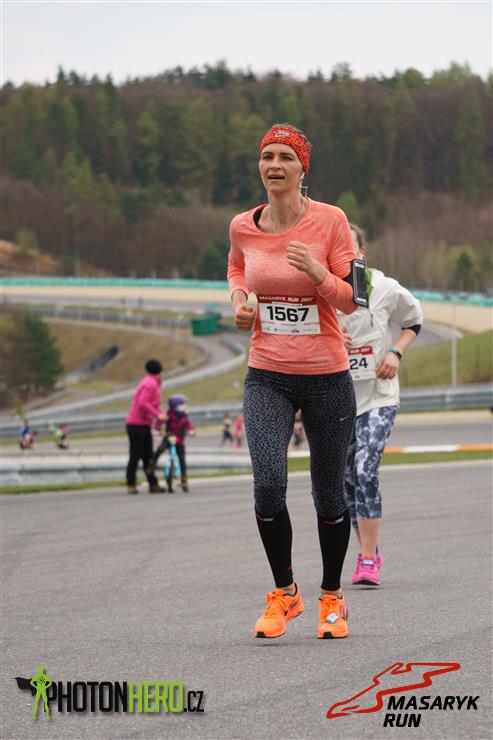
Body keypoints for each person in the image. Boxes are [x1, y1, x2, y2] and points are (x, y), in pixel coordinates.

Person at [228, 122, 362, 640]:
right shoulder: (243, 226)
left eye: (286, 157)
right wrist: (240, 301)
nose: (275, 165)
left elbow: (353, 299)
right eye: (268, 156)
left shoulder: (331, 221)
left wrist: (318, 273)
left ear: (303, 168)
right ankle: (285, 593)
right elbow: (237, 270)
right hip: (268, 374)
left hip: (327, 376)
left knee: (328, 493)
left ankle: (332, 596)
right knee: (268, 483)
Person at [341, 223, 422, 586]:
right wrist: (329, 339)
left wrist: (395, 352)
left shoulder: (385, 288)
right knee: (346, 482)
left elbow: (413, 321)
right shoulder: (320, 292)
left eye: (350, 247)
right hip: (340, 399)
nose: (344, 254)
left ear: (362, 252)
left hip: (379, 396)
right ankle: (368, 551)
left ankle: (368, 559)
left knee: (364, 469)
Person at [125, 359, 166, 494]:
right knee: (135, 455)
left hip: (143, 424)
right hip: (136, 424)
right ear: (160, 369)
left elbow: (153, 404)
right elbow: (143, 403)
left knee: (148, 456)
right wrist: (158, 415)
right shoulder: (150, 384)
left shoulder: (153, 382)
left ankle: (152, 483)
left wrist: (161, 413)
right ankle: (131, 483)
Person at [154, 394, 195, 492]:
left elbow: (189, 425)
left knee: (182, 460)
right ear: (176, 406)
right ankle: (152, 464)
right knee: (159, 450)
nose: (185, 407)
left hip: (179, 441)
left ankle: (184, 479)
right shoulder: (168, 415)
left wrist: (191, 431)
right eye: (183, 405)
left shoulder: (184, 417)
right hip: (169, 438)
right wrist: (157, 430)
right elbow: (159, 423)